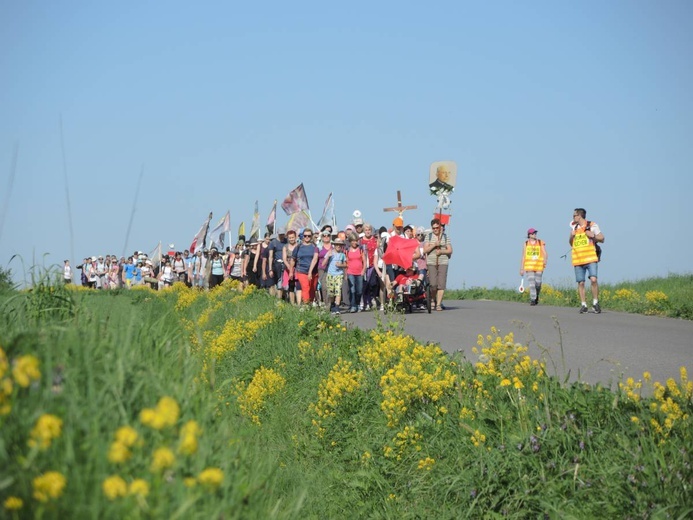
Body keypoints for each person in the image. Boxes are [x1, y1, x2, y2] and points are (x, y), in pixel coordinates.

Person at [570, 208, 604, 314]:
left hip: (590, 258)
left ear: (579, 216)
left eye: (574, 215)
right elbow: (571, 243)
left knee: (593, 279)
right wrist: (571, 236)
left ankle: (595, 303)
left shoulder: (592, 225)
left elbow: (602, 238)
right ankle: (583, 305)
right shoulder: (574, 227)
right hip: (578, 259)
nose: (573, 217)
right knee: (581, 283)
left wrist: (593, 235)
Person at [423, 218, 453, 311]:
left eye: (437, 227)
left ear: (440, 227)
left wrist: (441, 251)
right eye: (433, 228)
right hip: (431, 262)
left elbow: (450, 250)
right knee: (433, 284)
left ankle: (439, 304)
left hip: (443, 262)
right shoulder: (429, 236)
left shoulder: (445, 236)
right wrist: (434, 245)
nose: (435, 229)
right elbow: (425, 250)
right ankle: (432, 299)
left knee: (441, 284)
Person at [520, 228, 548, 306]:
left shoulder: (540, 242)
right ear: (529, 235)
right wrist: (521, 268)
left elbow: (545, 253)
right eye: (533, 233)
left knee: (538, 283)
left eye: (535, 233)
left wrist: (545, 260)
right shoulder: (526, 244)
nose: (534, 234)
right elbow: (523, 256)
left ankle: (537, 296)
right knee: (531, 284)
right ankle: (533, 299)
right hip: (529, 267)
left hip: (539, 266)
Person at [291, 227, 319, 306]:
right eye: (305, 235)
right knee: (305, 288)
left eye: (309, 236)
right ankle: (306, 306)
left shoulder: (315, 247)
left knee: (312, 289)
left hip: (313, 271)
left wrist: (310, 272)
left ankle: (310, 304)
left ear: (311, 236)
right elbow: (293, 259)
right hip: (301, 270)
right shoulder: (298, 247)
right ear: (302, 236)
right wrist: (291, 271)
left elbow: (315, 259)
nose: (307, 237)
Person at [324, 238, 347, 314]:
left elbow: (346, 264)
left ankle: (337, 307)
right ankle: (333, 304)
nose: (338, 246)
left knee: (338, 291)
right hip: (330, 275)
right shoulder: (330, 252)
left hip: (339, 275)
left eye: (340, 245)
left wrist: (341, 265)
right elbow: (323, 264)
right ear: (334, 245)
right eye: (337, 244)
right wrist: (328, 257)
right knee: (331, 293)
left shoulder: (343, 255)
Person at [345, 232, 366, 313]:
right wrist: (346, 273)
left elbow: (364, 261)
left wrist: (363, 270)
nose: (354, 242)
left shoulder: (360, 249)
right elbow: (346, 262)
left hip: (359, 272)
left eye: (356, 240)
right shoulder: (347, 250)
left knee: (359, 290)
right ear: (350, 241)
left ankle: (357, 304)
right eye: (353, 241)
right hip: (350, 272)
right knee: (352, 289)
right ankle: (353, 305)